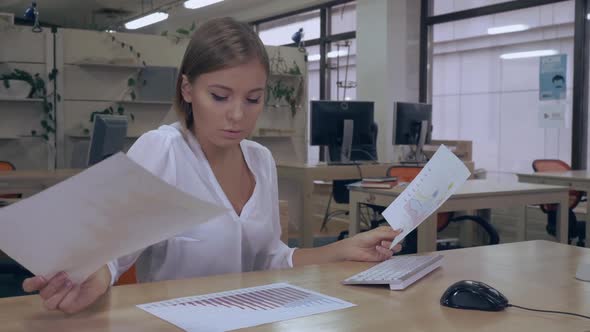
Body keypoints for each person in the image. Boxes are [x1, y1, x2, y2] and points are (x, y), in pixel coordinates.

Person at [22, 17, 402, 314]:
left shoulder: (260, 160)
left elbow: (272, 257)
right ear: (188, 90)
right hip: (175, 323)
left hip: (252, 318)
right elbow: (113, 253)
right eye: (219, 96)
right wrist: (97, 275)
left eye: (253, 99)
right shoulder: (162, 151)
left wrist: (344, 249)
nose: (237, 115)